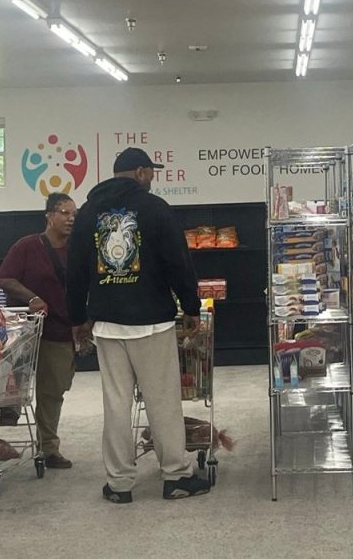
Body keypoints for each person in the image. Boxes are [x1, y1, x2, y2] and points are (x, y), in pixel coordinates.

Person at [67, 147, 210, 502]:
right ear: (141, 172)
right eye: (151, 172)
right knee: (162, 401)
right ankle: (175, 476)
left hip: (107, 324)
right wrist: (191, 306)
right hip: (152, 322)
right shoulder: (155, 208)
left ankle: (119, 484)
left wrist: (77, 317)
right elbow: (178, 260)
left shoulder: (88, 212)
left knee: (116, 405)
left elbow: (74, 270)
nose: (153, 178)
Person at [0, 193, 79, 468]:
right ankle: (10, 409)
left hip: (61, 331)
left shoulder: (78, 249)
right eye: (64, 213)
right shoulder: (27, 246)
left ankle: (49, 448)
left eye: (73, 214)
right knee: (14, 380)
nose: (70, 219)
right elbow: (5, 278)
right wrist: (31, 297)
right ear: (49, 216)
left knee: (53, 391)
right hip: (25, 331)